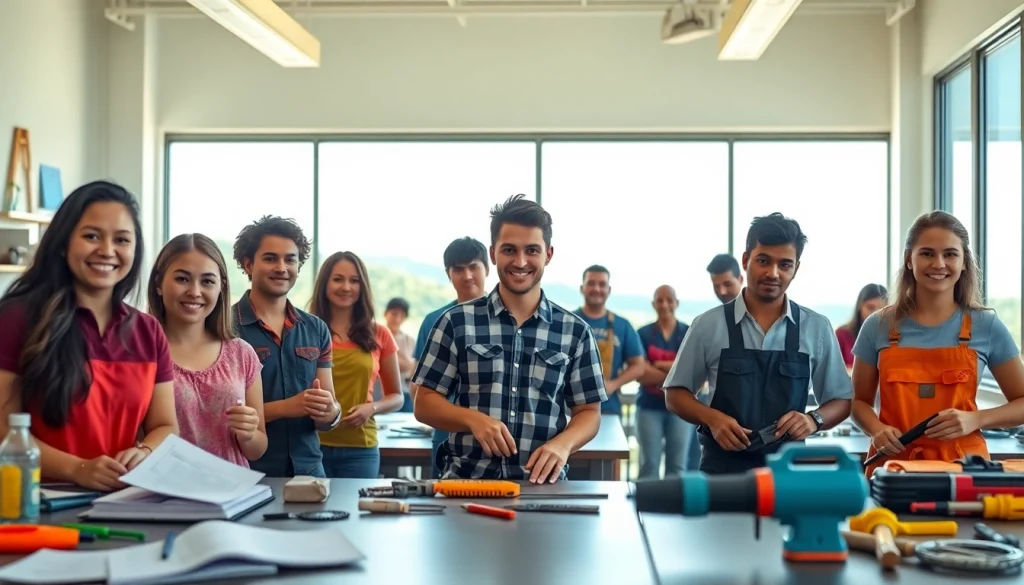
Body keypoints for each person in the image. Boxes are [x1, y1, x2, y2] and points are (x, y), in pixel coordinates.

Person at [413, 194, 606, 482]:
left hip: (543, 487)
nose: (520, 261)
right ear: (493, 254)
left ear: (548, 254)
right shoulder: (455, 322)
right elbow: (424, 403)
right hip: (465, 484)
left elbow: (589, 412)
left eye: (531, 250)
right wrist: (473, 419)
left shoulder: (575, 331)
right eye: (509, 250)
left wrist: (563, 445)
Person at [0, 181, 178, 491]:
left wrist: (144, 452)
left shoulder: (149, 332)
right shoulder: (17, 318)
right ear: (62, 243)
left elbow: (165, 425)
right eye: (91, 236)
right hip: (35, 503)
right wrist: (77, 469)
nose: (107, 251)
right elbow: (3, 430)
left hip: (120, 504)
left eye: (122, 239)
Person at [663, 213, 852, 474]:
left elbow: (841, 399)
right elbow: (675, 394)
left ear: (796, 269)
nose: (772, 273)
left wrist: (813, 419)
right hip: (722, 472)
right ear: (745, 260)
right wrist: (712, 418)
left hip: (788, 473)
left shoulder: (816, 328)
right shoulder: (708, 325)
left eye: (785, 264)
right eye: (763, 260)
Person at [851, 211, 1024, 476]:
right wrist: (876, 429)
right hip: (892, 470)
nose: (939, 263)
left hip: (964, 473)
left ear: (964, 262)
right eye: (927, 253)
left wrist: (976, 419)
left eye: (950, 254)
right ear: (909, 259)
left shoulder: (987, 326)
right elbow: (858, 402)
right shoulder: (878, 325)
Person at [231, 215, 341, 478]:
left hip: (311, 471)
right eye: (270, 258)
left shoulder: (316, 329)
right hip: (248, 473)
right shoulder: (224, 328)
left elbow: (329, 414)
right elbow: (219, 415)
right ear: (248, 264)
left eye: (290, 259)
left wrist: (330, 411)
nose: (282, 267)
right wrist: (286, 407)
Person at [148, 233, 267, 467]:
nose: (195, 291)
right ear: (159, 284)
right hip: (164, 494)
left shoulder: (241, 354)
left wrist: (249, 433)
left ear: (221, 288)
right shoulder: (141, 354)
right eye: (182, 279)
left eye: (207, 281)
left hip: (231, 495)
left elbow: (257, 449)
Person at [309, 251, 405, 478]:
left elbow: (397, 396)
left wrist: (371, 408)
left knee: (356, 512)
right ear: (324, 283)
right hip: (310, 446)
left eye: (354, 281)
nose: (346, 287)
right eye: (338, 279)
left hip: (360, 449)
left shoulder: (379, 334)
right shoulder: (306, 331)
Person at [412, 236, 489, 478]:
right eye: (458, 269)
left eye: (474, 266)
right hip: (447, 440)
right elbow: (417, 391)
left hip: (497, 442)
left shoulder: (507, 319)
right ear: (448, 274)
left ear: (487, 268)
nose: (467, 276)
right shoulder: (435, 320)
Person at [635, 285, 690, 479]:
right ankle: (646, 507)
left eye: (669, 300)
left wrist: (657, 364)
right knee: (649, 463)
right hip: (649, 408)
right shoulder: (642, 334)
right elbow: (640, 373)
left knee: (677, 466)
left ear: (677, 303)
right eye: (660, 300)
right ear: (653, 304)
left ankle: (674, 508)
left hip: (682, 409)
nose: (665, 304)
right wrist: (677, 370)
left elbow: (693, 371)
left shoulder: (689, 332)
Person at [574, 266, 645, 416]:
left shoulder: (622, 325)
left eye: (602, 284)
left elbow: (639, 366)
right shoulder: (567, 322)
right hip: (568, 410)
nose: (597, 288)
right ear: (582, 288)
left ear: (609, 289)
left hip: (609, 409)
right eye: (591, 283)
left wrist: (613, 384)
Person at [836, 284, 887, 370]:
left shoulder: (895, 337)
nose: (875, 314)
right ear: (860, 306)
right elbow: (834, 370)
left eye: (882, 309)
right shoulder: (842, 334)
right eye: (870, 308)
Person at [383, 297, 417, 412]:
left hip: (406, 393)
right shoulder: (376, 336)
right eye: (394, 314)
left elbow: (413, 368)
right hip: (381, 394)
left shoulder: (410, 340)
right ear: (386, 314)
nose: (397, 319)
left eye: (401, 316)